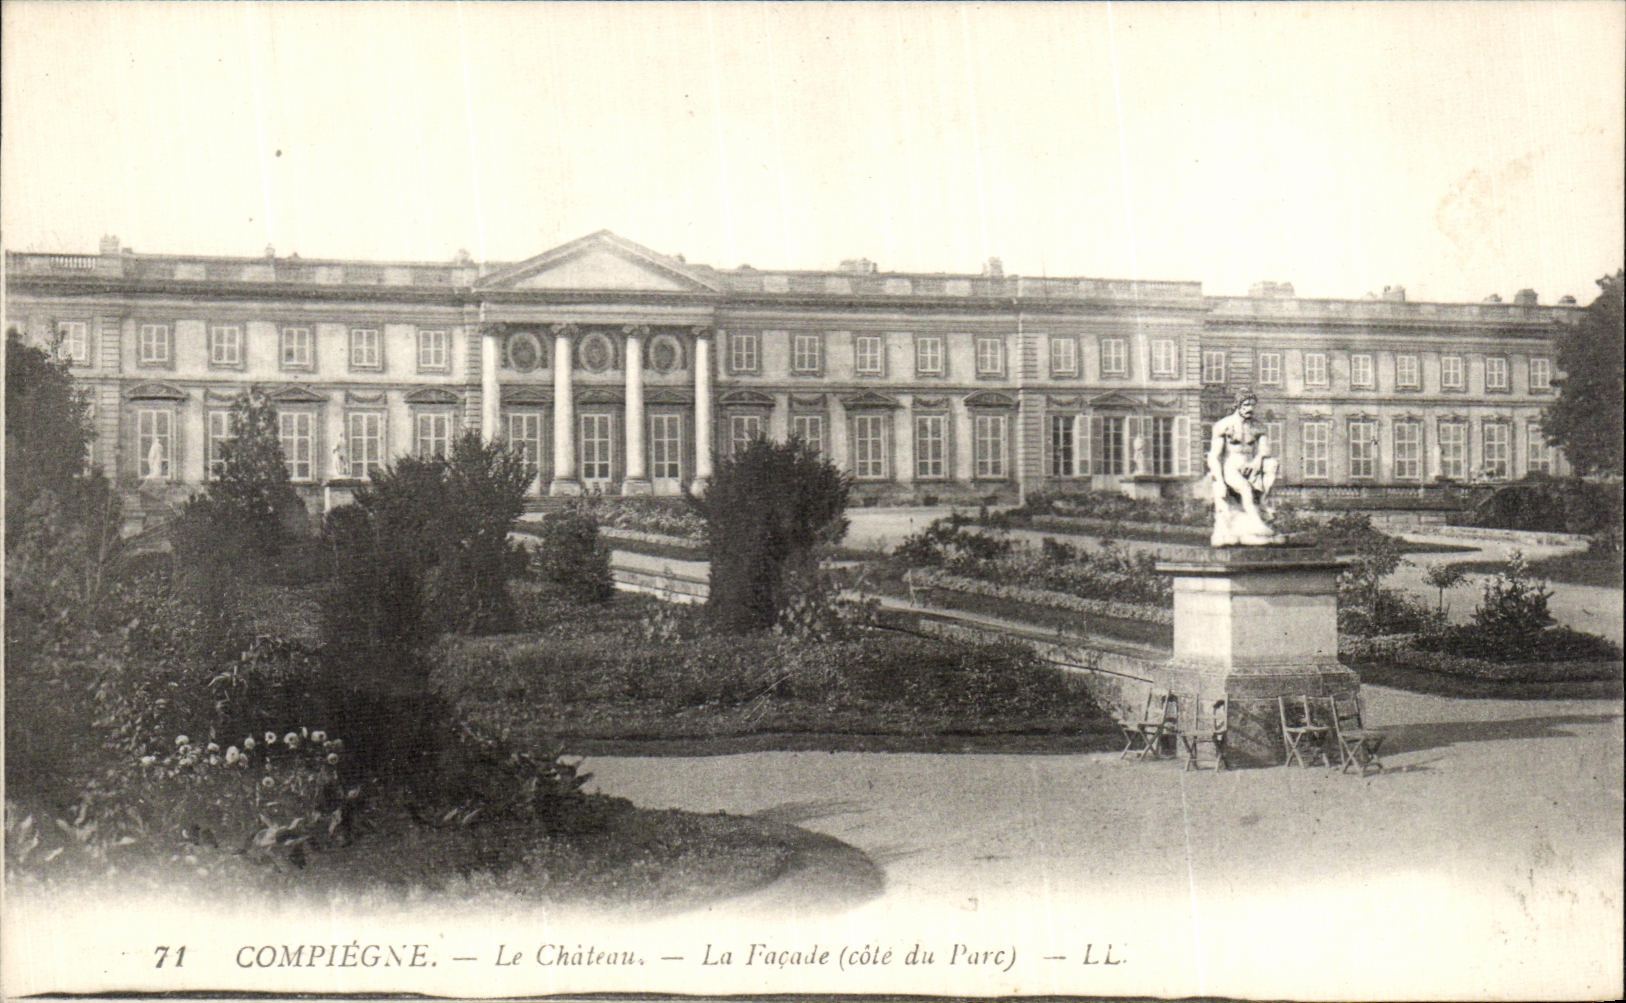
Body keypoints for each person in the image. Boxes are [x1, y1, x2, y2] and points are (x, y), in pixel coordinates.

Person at [1206, 390, 1280, 546]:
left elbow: (1264, 450)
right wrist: (1219, 481)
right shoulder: (1224, 425)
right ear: (1238, 405)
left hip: (1251, 465)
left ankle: (1263, 504)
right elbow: (1214, 456)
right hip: (1231, 466)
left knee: (1272, 464)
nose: (1250, 409)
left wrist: (1256, 462)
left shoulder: (1257, 426)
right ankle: (1256, 522)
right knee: (1245, 488)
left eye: (1252, 405)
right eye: (1246, 405)